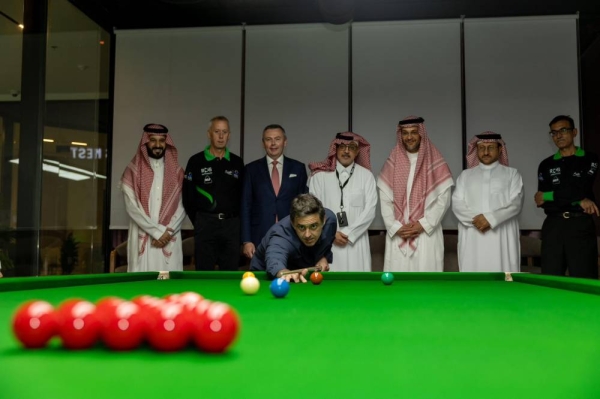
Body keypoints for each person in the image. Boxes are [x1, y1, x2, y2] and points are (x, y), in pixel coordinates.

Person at [378, 116, 454, 272]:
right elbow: (384, 198)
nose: (409, 137)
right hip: (399, 233)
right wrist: (395, 227)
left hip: (426, 235)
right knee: (397, 288)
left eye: (413, 132)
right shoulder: (392, 161)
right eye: (405, 133)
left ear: (421, 134)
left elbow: (443, 199)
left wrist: (423, 225)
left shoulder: (435, 162)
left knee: (427, 287)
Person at [535, 115, 599, 279]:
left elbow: (580, 188)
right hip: (553, 226)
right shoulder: (546, 164)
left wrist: (550, 195)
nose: (558, 135)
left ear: (574, 132)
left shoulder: (590, 159)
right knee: (551, 278)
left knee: (584, 277)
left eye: (563, 130)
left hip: (580, 224)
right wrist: (578, 199)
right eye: (554, 132)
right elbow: (540, 201)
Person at [452, 132, 524, 272]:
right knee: (472, 277)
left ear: (500, 149)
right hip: (472, 234)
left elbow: (515, 203)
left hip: (502, 236)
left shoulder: (512, 174)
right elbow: (457, 203)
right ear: (476, 150)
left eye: (490, 147)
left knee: (503, 278)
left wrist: (490, 219)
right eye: (481, 148)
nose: (485, 152)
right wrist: (477, 220)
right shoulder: (465, 176)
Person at [120, 123, 186, 272]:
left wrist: (168, 232)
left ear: (166, 143)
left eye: (161, 140)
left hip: (168, 239)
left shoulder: (177, 172)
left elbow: (183, 205)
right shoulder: (133, 171)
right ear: (145, 142)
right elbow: (132, 207)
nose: (157, 145)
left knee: (166, 282)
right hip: (143, 237)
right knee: (142, 285)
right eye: (153, 140)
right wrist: (156, 232)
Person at [308, 132, 377, 271]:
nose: (346, 151)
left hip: (357, 243)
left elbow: (370, 211)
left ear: (357, 151)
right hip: (327, 241)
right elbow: (314, 211)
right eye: (342, 147)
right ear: (335, 149)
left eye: (351, 147)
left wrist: (349, 234)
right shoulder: (319, 177)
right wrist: (332, 233)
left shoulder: (367, 176)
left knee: (357, 287)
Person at [182, 116, 244, 271]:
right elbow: (187, 196)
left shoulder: (237, 162)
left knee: (230, 274)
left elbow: (243, 196)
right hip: (205, 225)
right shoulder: (195, 161)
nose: (221, 136)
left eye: (224, 132)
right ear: (209, 134)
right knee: (204, 273)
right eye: (217, 131)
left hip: (231, 227)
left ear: (229, 135)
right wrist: (199, 220)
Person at [241, 124, 308, 259]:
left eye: (277, 139)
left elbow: (304, 206)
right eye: (268, 139)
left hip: (291, 234)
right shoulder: (251, 169)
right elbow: (245, 206)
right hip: (259, 236)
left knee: (290, 275)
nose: (273, 143)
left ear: (285, 142)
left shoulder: (298, 168)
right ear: (263, 143)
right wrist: (246, 240)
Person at [250, 193, 336, 282]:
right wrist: (283, 272)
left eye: (313, 226)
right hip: (264, 276)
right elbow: (275, 259)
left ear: (323, 221)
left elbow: (326, 242)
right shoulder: (281, 236)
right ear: (293, 223)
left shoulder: (330, 222)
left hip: (300, 271)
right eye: (301, 227)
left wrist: (324, 257)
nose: (307, 235)